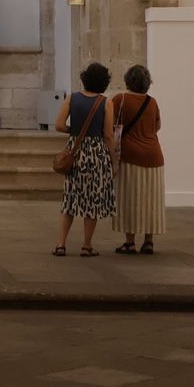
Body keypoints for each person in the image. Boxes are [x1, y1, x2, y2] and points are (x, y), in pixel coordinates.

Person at [53, 62, 117, 256]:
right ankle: (86, 245)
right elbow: (108, 135)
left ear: (85, 78)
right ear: (104, 82)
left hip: (76, 152)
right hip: (97, 154)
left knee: (70, 199)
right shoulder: (106, 102)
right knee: (93, 200)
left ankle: (61, 244)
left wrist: (75, 131)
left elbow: (59, 125)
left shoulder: (72, 98)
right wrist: (113, 160)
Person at [112, 65, 165, 255]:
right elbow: (157, 126)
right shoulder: (152, 102)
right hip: (154, 156)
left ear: (128, 80)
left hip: (130, 155)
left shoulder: (120, 99)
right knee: (151, 200)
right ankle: (148, 241)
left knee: (130, 199)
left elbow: (111, 124)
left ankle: (130, 242)